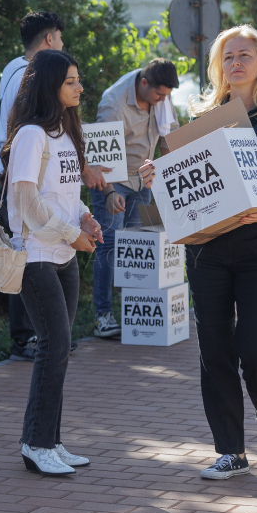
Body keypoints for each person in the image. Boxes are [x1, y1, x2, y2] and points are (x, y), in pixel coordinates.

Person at [138, 25, 257, 479]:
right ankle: (231, 450)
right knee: (215, 353)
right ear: (218, 66)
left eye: (245, 55)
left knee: (254, 347)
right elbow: (183, 180)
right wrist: (159, 173)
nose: (236, 63)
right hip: (208, 251)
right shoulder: (199, 119)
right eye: (228, 56)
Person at [0, 49, 102, 475]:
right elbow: (26, 200)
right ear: (49, 86)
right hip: (36, 254)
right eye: (71, 82)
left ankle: (51, 441)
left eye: (78, 80)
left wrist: (84, 216)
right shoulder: (31, 135)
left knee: (59, 351)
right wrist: (71, 232)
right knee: (53, 347)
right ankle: (35, 445)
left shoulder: (64, 132)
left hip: (63, 254)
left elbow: (62, 193)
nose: (79, 87)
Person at [0, 11, 75, 362]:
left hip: (2, 169)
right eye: (60, 38)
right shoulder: (33, 77)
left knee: (19, 254)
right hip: (16, 172)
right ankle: (28, 339)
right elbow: (24, 128)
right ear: (49, 39)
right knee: (24, 254)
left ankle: (32, 338)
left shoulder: (12, 67)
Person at [90, 59, 180, 338]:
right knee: (109, 246)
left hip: (143, 180)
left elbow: (168, 139)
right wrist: (108, 193)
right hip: (113, 183)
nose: (163, 100)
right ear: (143, 84)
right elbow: (98, 160)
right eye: (159, 95)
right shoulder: (113, 103)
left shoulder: (160, 97)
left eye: (166, 95)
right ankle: (102, 316)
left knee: (137, 246)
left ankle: (133, 312)